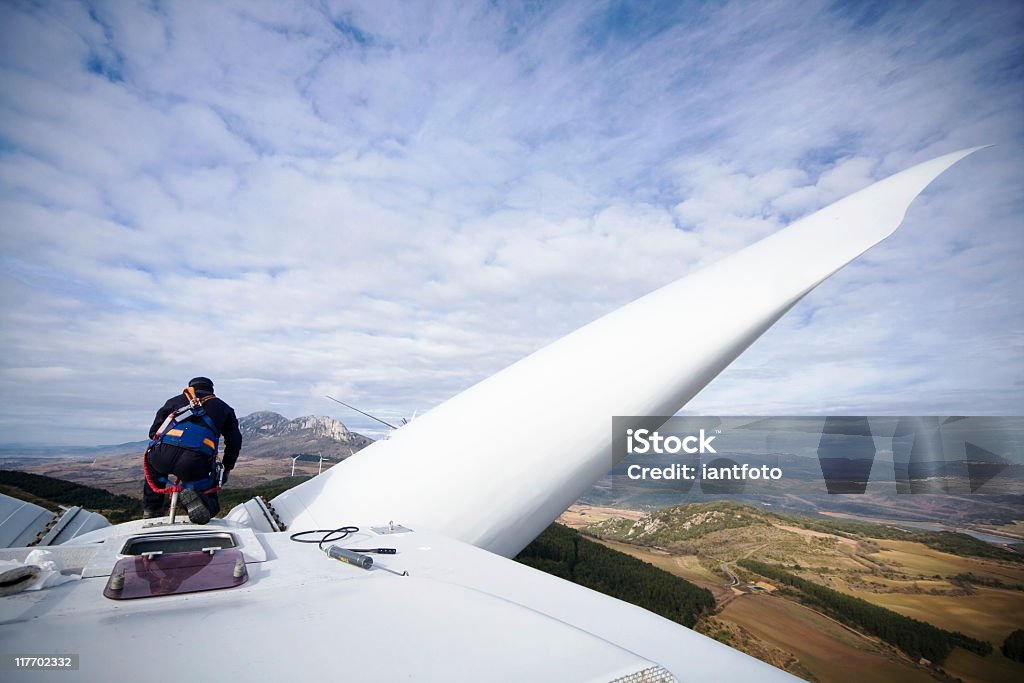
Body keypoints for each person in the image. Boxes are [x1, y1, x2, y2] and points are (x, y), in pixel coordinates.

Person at [142, 377, 242, 524]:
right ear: (212, 390)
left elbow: (153, 432)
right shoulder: (224, 408)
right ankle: (203, 503)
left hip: (161, 455)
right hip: (194, 461)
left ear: (190, 388)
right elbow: (234, 442)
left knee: (155, 471)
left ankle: (151, 509)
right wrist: (226, 469)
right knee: (208, 494)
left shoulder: (173, 402)